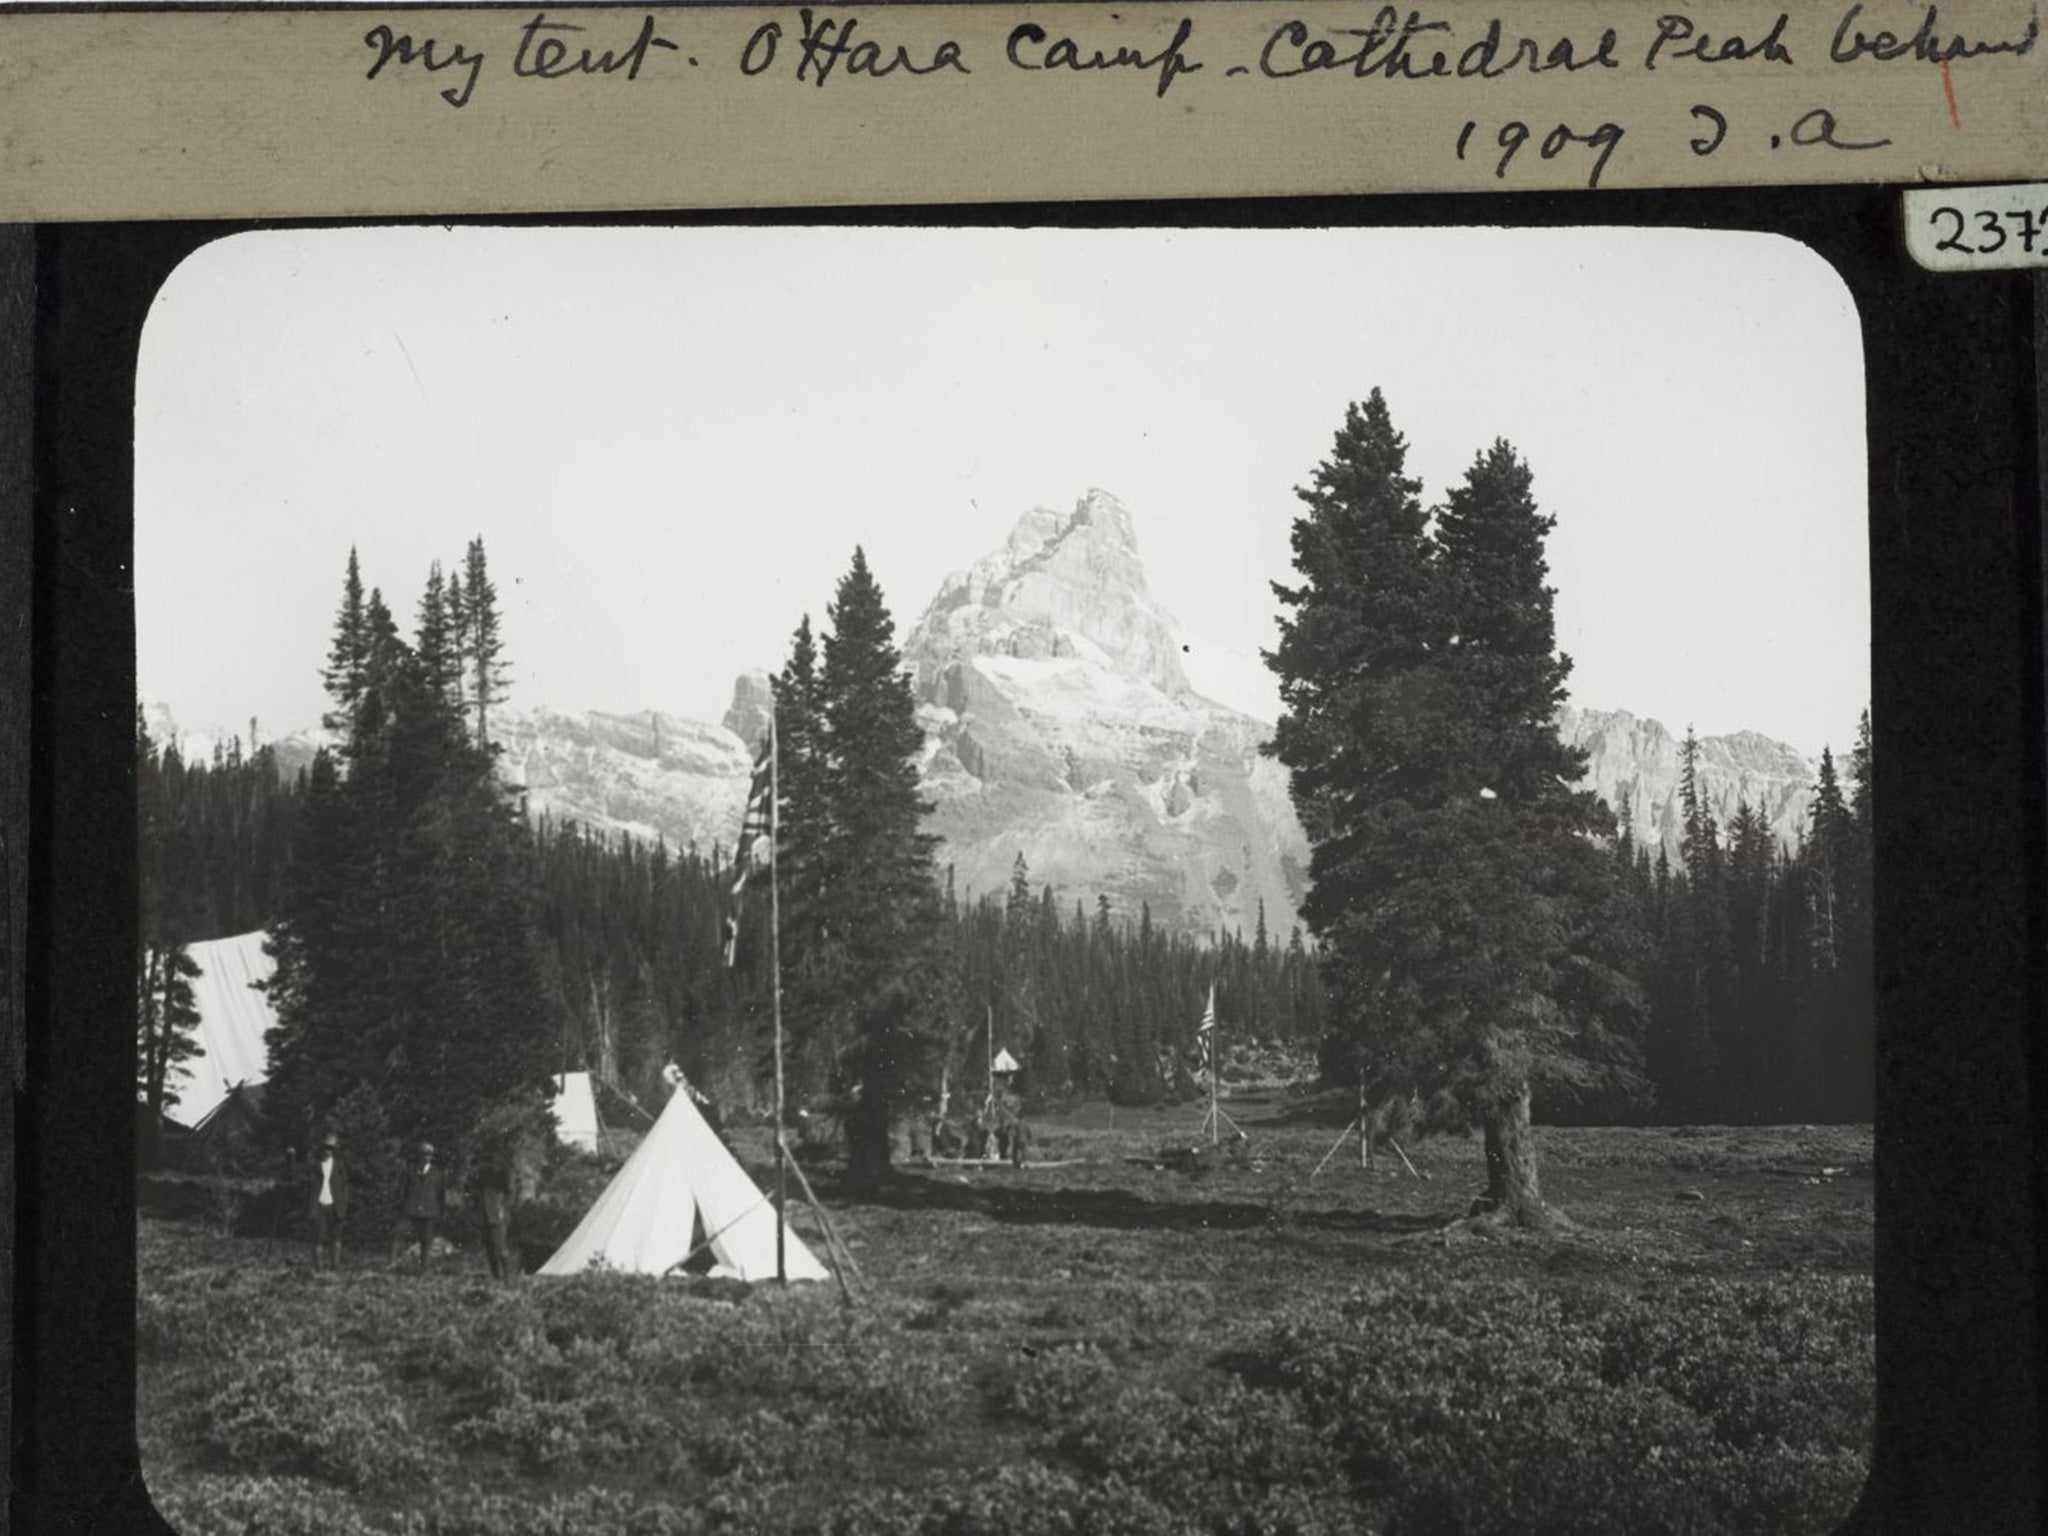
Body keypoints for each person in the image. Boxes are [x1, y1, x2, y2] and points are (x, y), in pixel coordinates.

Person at [394, 1140, 450, 1275]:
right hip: (411, 1210)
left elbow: (441, 1194)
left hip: (429, 1211)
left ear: (432, 1157)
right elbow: (402, 1190)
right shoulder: (409, 1170)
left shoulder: (437, 1173)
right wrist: (401, 1207)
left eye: (429, 1155)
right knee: (399, 1235)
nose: (426, 1158)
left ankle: (424, 1269)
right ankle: (393, 1264)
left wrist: (441, 1212)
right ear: (418, 1156)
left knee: (426, 1241)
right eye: (423, 1154)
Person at [306, 1133, 348, 1272]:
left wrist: (342, 1205)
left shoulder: (340, 1165)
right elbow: (297, 1174)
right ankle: (318, 1270)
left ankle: (334, 1269)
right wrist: (291, 1158)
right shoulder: (314, 1164)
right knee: (318, 1238)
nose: (328, 1151)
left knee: (336, 1238)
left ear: (335, 1150)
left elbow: (344, 1186)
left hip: (335, 1206)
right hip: (319, 1205)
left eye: (331, 1148)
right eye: (326, 1148)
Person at [474, 1161, 516, 1281]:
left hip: (497, 1215)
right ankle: (496, 1276)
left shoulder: (501, 1174)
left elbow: (511, 1193)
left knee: (501, 1247)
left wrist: (503, 1207)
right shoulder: (478, 1175)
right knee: (489, 1249)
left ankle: (507, 1278)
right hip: (483, 1215)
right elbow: (471, 1193)